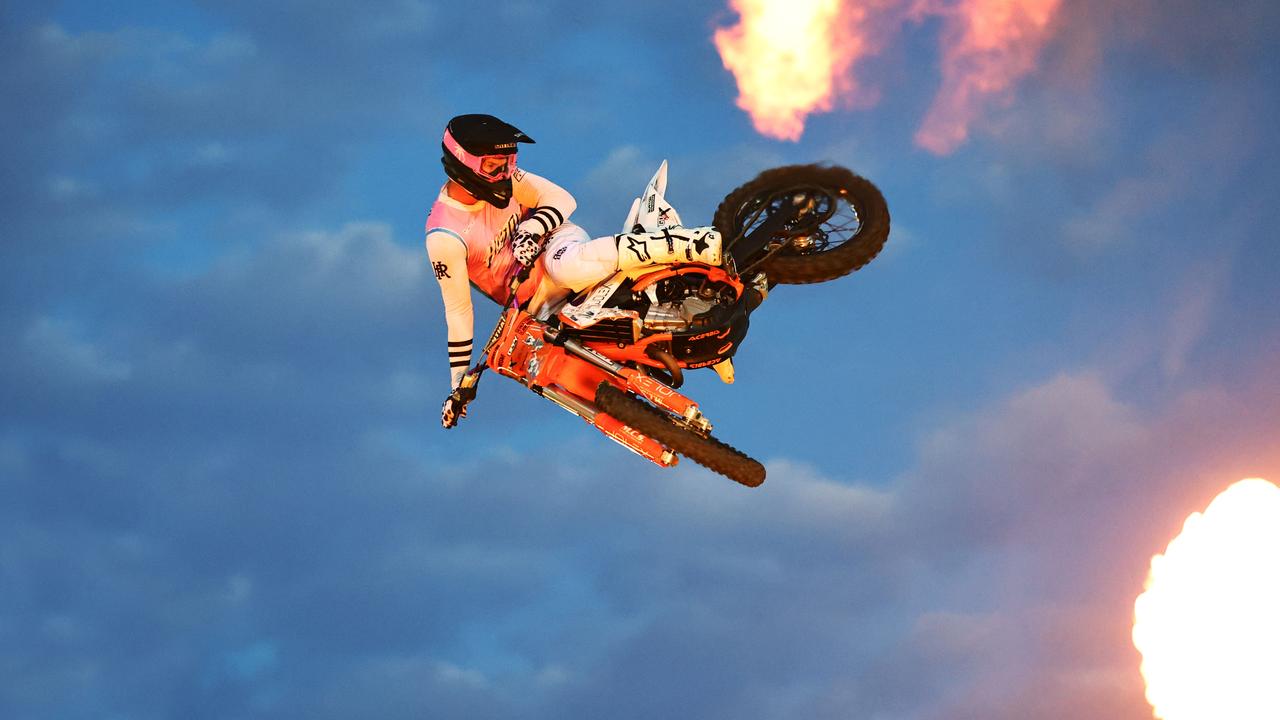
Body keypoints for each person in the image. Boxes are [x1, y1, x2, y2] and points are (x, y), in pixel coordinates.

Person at [425, 114, 721, 428]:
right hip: (537, 305)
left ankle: (685, 243)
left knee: (566, 268)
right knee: (555, 365)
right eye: (493, 165)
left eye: (510, 161)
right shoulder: (446, 236)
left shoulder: (508, 180)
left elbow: (562, 199)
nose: (505, 172)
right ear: (463, 162)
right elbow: (458, 311)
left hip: (555, 246)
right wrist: (459, 385)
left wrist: (533, 229)